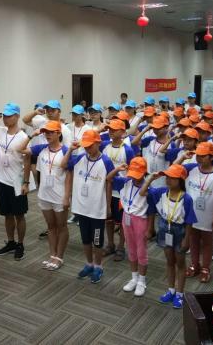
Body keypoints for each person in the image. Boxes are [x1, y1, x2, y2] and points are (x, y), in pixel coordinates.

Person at [61, 130, 114, 284]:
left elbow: (109, 184)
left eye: (90, 146)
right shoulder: (80, 158)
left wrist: (108, 206)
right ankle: (89, 263)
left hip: (97, 209)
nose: (87, 149)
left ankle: (98, 266)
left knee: (97, 240)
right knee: (85, 239)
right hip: (81, 207)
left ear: (98, 143)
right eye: (85, 146)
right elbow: (63, 165)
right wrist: (70, 150)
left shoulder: (106, 161)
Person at [142, 164, 197, 308]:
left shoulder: (186, 199)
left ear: (181, 180)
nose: (168, 179)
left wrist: (187, 240)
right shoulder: (161, 192)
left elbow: (189, 221)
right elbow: (143, 192)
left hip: (179, 231)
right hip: (164, 229)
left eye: (172, 177)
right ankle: (171, 290)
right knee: (169, 261)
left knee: (180, 263)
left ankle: (179, 294)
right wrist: (150, 178)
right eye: (167, 177)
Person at [18, 121, 70, 271]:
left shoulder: (66, 151)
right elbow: (20, 149)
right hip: (44, 195)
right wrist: (31, 135)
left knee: (62, 226)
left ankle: (59, 257)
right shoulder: (41, 148)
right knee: (50, 226)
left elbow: (69, 176)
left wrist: (67, 196)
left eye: (51, 132)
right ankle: (52, 255)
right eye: (46, 132)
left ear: (59, 133)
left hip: (59, 196)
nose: (47, 135)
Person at [0, 103, 30, 260]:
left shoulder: (23, 137)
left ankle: (20, 244)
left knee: (19, 215)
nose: (6, 119)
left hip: (16, 182)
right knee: (7, 215)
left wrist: (26, 183)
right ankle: (11, 242)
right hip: (1, 180)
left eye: (9, 116)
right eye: (4, 116)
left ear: (17, 116)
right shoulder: (0, 131)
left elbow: (27, 161)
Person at [107, 157, 156, 297]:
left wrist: (150, 229)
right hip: (127, 218)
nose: (134, 178)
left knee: (141, 251)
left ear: (144, 172)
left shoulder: (148, 189)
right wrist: (118, 169)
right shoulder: (125, 182)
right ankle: (134, 278)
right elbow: (108, 178)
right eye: (132, 174)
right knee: (131, 249)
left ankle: (142, 281)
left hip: (141, 221)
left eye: (137, 174)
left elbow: (151, 211)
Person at [183, 142, 213, 283]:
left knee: (207, 242)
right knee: (193, 240)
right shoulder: (191, 169)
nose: (199, 158)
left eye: (203, 156)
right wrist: (182, 157)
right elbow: (173, 168)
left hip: (208, 214)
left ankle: (205, 268)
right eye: (198, 155)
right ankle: (194, 264)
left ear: (211, 157)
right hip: (191, 213)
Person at [101, 119, 135, 261]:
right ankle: (110, 244)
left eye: (114, 129)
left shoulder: (127, 150)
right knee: (108, 219)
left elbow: (132, 171)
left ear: (122, 132)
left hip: (121, 192)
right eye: (110, 129)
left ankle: (121, 247)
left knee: (122, 222)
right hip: (106, 189)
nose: (111, 131)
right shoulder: (105, 146)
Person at [132, 117, 175, 187]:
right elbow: (134, 143)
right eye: (154, 128)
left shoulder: (171, 145)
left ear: (166, 127)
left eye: (158, 128)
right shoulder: (150, 140)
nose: (156, 130)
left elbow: (172, 164)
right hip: (148, 177)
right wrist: (145, 130)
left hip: (162, 179)